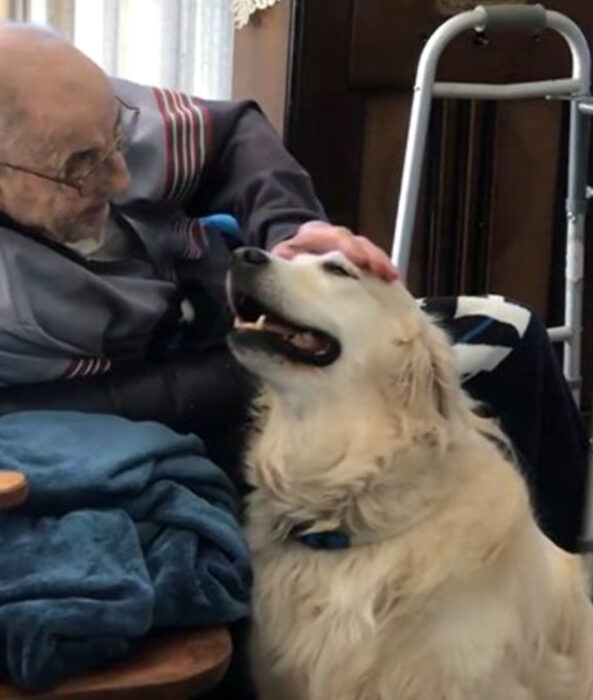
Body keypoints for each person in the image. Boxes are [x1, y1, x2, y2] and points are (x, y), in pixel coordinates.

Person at [0, 21, 588, 697]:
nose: (121, 174)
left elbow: (232, 139)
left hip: (257, 320)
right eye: (81, 165)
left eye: (112, 136)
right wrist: (239, 368)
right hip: (133, 410)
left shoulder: (69, 112)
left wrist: (292, 233)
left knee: (510, 334)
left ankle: (531, 617)